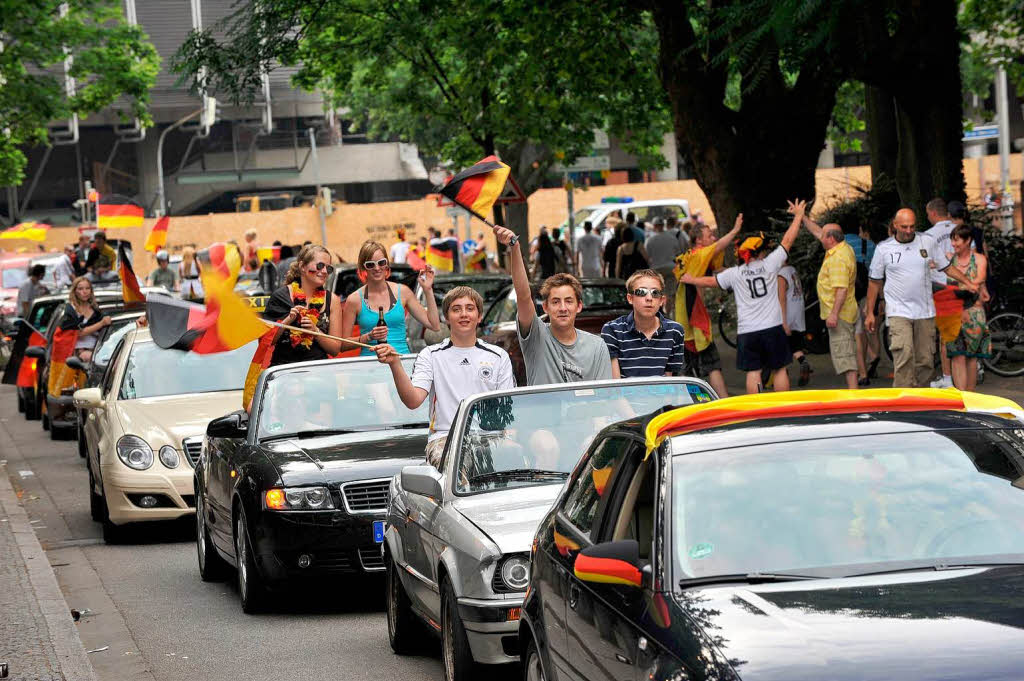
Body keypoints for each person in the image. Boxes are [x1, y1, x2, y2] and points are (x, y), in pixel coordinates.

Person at [375, 286, 515, 467]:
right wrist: (395, 364)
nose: (464, 314)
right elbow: (413, 401)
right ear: (446, 318)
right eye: (456, 309)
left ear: (479, 316)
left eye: (470, 308)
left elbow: (508, 409)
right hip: (445, 438)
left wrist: (513, 441)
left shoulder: (498, 356)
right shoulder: (431, 355)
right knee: (454, 464)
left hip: (490, 437)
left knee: (517, 456)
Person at [681, 200, 805, 394]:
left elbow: (711, 282)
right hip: (773, 327)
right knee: (779, 369)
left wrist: (690, 279)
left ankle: (755, 410)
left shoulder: (735, 273)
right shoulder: (770, 264)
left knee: (753, 372)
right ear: (760, 252)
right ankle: (783, 407)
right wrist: (798, 216)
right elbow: (788, 240)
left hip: (747, 331)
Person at [865, 208, 979, 388]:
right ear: (895, 225)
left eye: (912, 226)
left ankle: (920, 398)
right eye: (904, 227)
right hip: (898, 311)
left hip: (925, 311)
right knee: (904, 354)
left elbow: (946, 267)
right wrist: (870, 313)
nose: (909, 230)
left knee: (926, 360)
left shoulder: (927, 241)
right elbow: (874, 282)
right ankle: (902, 401)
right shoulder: (884, 249)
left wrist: (968, 282)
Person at [497, 225, 612, 385]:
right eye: (556, 302)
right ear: (545, 307)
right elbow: (524, 296)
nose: (563, 308)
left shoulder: (597, 346)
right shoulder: (536, 336)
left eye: (569, 301)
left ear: (579, 306)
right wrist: (514, 248)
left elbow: (604, 395)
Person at [672, 218, 743, 398]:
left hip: (682, 319)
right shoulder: (699, 254)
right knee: (712, 365)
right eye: (709, 235)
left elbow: (717, 273)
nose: (713, 237)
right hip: (694, 320)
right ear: (699, 240)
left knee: (688, 369)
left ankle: (691, 405)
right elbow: (719, 246)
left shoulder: (690, 257)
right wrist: (735, 230)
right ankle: (724, 403)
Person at [341, 240, 440, 357]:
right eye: (370, 264)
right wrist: (368, 337)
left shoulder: (403, 292)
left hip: (401, 363)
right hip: (369, 367)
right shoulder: (354, 299)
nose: (377, 268)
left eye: (381, 262)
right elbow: (343, 345)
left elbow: (434, 325)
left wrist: (428, 290)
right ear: (363, 268)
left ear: (387, 264)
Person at [261, 244, 347, 368]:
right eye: (320, 266)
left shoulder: (332, 300)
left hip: (318, 372)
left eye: (328, 269)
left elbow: (335, 349)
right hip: (285, 372)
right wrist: (287, 321)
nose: (324, 272)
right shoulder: (280, 296)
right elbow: (265, 340)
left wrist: (315, 331)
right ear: (302, 266)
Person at [801, 218, 859, 390]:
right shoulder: (842, 247)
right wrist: (802, 216)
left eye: (824, 237)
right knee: (845, 354)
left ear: (831, 239)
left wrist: (833, 314)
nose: (820, 238)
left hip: (840, 315)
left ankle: (854, 399)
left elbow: (841, 289)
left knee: (846, 359)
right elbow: (820, 233)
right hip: (846, 311)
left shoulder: (837, 259)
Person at [601, 269, 685, 378]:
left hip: (663, 393)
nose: (649, 298)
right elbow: (615, 383)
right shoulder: (612, 330)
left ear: (661, 300)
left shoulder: (675, 331)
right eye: (641, 292)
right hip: (624, 394)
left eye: (655, 293)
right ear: (630, 298)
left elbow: (670, 379)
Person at [945, 225, 990, 391]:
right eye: (952, 239)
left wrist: (966, 285)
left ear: (968, 240)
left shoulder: (979, 259)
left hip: (973, 313)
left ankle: (970, 398)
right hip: (953, 313)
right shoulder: (949, 260)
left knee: (971, 357)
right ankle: (961, 397)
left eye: (957, 240)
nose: (953, 244)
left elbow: (979, 280)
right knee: (956, 356)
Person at [924, 198, 957, 388]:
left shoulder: (927, 236)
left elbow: (925, 263)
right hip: (959, 285)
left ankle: (947, 377)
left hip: (939, 287)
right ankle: (974, 367)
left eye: (928, 214)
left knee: (944, 335)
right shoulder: (960, 230)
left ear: (933, 213)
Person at [776, 262, 811, 386]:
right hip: (797, 314)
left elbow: (782, 299)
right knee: (794, 344)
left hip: (787, 316)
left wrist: (783, 322)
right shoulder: (792, 269)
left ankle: (782, 378)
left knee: (780, 349)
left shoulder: (781, 275)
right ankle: (803, 362)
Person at [61, 277, 111, 363]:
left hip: (96, 351)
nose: (85, 291)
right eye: (80, 288)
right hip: (77, 354)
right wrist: (101, 323)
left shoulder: (95, 309)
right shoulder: (71, 310)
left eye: (87, 288)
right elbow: (78, 333)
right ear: (75, 291)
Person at [645, 217, 683, 319]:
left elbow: (648, 256)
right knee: (671, 293)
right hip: (671, 268)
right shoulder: (672, 238)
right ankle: (671, 315)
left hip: (656, 270)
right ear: (663, 225)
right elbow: (678, 254)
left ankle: (660, 314)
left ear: (654, 226)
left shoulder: (650, 240)